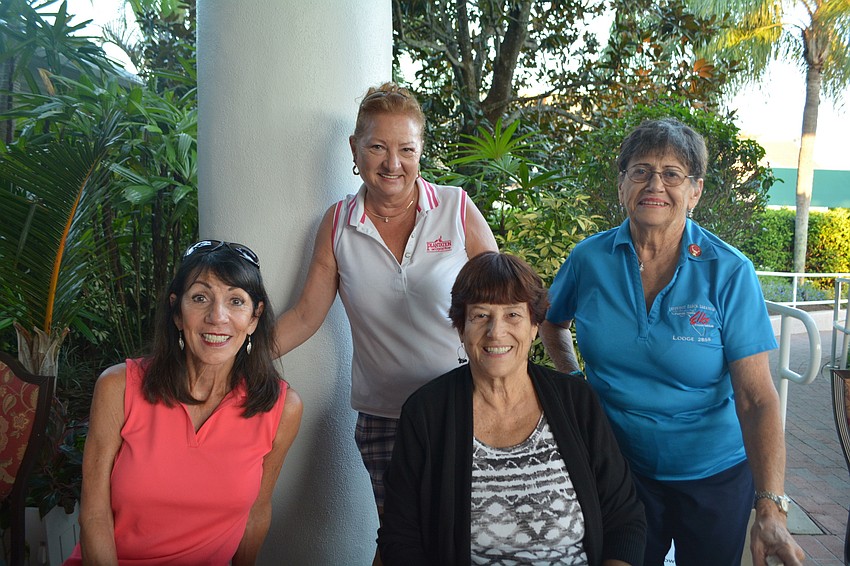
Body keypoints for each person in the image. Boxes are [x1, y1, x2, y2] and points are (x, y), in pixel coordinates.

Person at [540, 118, 805, 566]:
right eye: (640, 170)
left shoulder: (729, 271)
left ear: (695, 191)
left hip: (715, 473)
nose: (654, 184)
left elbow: (757, 398)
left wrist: (771, 506)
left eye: (672, 173)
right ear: (622, 183)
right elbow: (551, 322)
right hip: (621, 466)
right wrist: (574, 379)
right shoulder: (589, 260)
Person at [272, 82, 498, 550]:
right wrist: (238, 356)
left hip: (464, 406)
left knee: (470, 538)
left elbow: (500, 300)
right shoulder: (338, 224)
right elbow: (305, 315)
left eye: (405, 149)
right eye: (377, 147)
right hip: (384, 418)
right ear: (355, 149)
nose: (392, 163)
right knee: (403, 541)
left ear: (420, 152)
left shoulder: (455, 208)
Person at [378, 251, 646, 565]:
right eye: (480, 315)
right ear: (461, 327)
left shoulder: (576, 401)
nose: (496, 332)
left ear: (534, 325)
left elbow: (624, 518)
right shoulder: (426, 413)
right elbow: (401, 537)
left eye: (513, 315)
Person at [65, 240, 303, 565]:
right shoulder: (118, 387)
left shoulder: (281, 408)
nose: (217, 317)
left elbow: (255, 514)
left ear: (254, 318)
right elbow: (94, 516)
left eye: (236, 301)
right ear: (177, 312)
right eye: (200, 298)